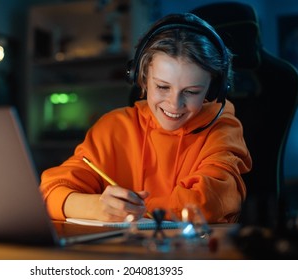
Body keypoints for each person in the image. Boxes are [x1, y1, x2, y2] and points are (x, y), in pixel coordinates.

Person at [39, 13, 252, 224]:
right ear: (141, 78)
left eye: (192, 91)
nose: (174, 104)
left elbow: (207, 202)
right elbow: (49, 192)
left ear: (213, 89)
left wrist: (133, 210)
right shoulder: (113, 127)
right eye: (162, 87)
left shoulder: (223, 128)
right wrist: (95, 206)